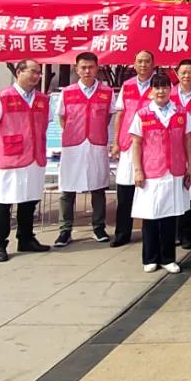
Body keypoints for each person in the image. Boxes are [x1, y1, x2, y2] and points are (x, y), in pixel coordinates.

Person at [0, 60, 51, 262]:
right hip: (11, 158)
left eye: (38, 73)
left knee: (30, 200)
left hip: (34, 157)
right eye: (32, 71)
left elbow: (44, 124)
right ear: (19, 72)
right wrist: (0, 144)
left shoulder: (42, 99)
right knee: (5, 202)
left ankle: (26, 238)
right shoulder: (2, 97)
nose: (36, 76)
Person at [129, 73, 190, 273]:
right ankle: (150, 257)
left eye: (165, 87)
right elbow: (136, 143)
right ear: (151, 91)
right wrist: (138, 170)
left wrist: (190, 165)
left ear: (171, 90)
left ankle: (168, 258)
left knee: (170, 216)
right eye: (157, 87)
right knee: (151, 215)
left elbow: (187, 140)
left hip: (174, 170)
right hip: (151, 171)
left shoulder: (181, 112)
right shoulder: (143, 114)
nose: (161, 91)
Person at [55, 52, 113, 247]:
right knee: (68, 188)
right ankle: (65, 230)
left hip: (96, 144)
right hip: (73, 146)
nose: (87, 71)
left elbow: (108, 116)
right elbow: (62, 117)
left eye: (91, 67)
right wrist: (75, 131)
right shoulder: (67, 92)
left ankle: (99, 227)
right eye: (83, 67)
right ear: (76, 69)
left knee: (98, 187)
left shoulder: (107, 92)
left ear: (97, 68)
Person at [109, 49, 156, 248]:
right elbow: (120, 114)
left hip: (151, 144)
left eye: (147, 61)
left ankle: (150, 234)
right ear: (134, 64)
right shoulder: (127, 86)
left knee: (149, 189)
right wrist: (116, 142)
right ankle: (122, 233)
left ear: (153, 64)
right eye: (140, 61)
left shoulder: (160, 84)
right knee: (125, 189)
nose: (143, 65)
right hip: (128, 143)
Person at [171, 58, 191, 249]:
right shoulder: (167, 93)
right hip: (173, 148)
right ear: (177, 73)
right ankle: (173, 233)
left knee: (189, 191)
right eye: (183, 72)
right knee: (173, 190)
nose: (187, 76)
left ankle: (186, 234)